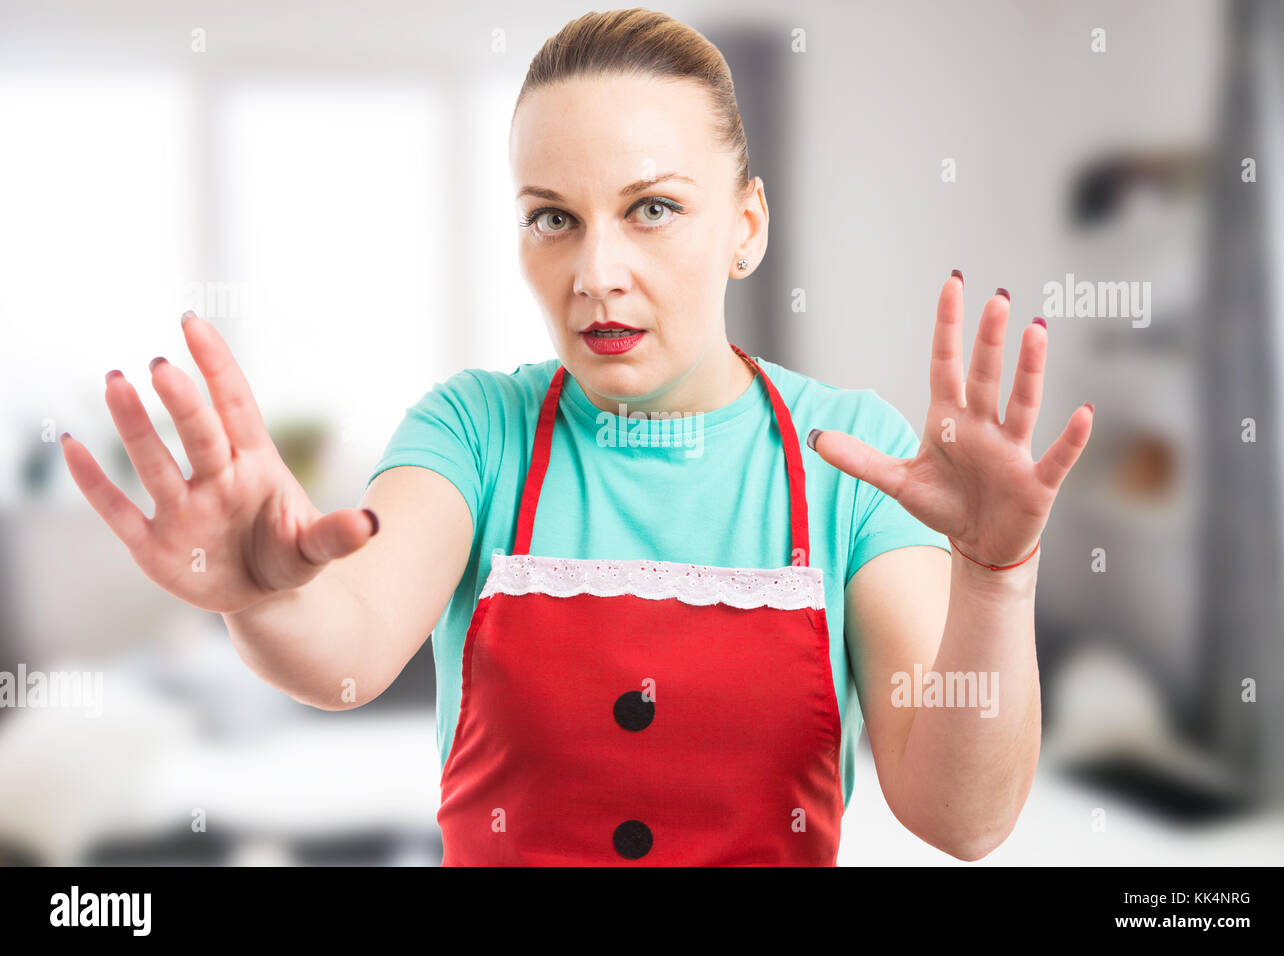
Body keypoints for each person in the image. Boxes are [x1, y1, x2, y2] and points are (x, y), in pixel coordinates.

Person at [60, 8, 1092, 866]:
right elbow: (349, 649)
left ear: (746, 226)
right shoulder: (474, 429)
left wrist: (996, 578)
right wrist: (265, 588)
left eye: (651, 208)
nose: (595, 272)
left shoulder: (850, 455)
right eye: (552, 217)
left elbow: (961, 818)